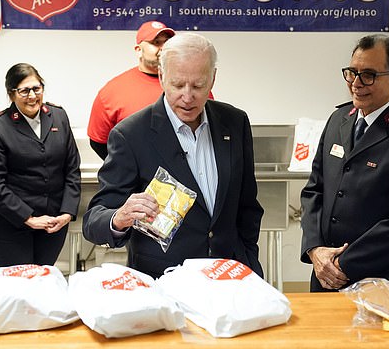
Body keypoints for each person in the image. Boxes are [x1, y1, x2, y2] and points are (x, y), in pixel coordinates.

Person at [83, 32, 264, 278]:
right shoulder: (131, 134)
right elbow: (93, 220)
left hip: (229, 276)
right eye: (178, 85)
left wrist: (248, 258)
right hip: (163, 281)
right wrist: (119, 217)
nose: (188, 97)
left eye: (198, 85)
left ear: (212, 79)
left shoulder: (234, 122)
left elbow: (247, 206)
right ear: (161, 77)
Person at [300, 34, 389, 292]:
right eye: (352, 72)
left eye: (368, 74)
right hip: (326, 276)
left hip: (386, 283)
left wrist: (341, 264)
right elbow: (314, 190)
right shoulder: (339, 119)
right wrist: (315, 250)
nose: (356, 83)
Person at [0, 63, 81, 267]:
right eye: (24, 91)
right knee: (19, 288)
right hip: (13, 224)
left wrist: (66, 213)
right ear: (11, 94)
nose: (32, 96)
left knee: (44, 282)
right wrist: (28, 218)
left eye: (37, 88)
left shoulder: (58, 116)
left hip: (53, 223)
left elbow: (72, 169)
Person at [87, 20, 175, 159]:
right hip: (135, 178)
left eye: (167, 43)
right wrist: (125, 166)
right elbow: (98, 142)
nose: (163, 48)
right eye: (156, 42)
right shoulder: (113, 91)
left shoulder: (190, 85)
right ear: (138, 50)